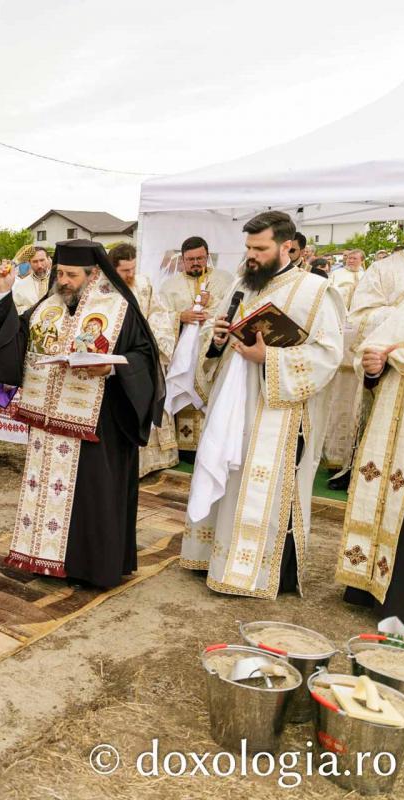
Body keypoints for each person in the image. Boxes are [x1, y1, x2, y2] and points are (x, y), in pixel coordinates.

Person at [0, 240, 163, 588]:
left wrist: (112, 369)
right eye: (61, 274)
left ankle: (91, 568)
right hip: (47, 424)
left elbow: (145, 356)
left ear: (93, 273)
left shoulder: (118, 309)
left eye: (72, 275)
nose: (64, 281)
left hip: (99, 422)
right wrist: (2, 297)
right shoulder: (45, 308)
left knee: (91, 497)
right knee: (46, 497)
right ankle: (43, 559)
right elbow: (12, 340)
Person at [182, 211, 344, 599]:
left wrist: (268, 358)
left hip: (278, 410)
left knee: (266, 486)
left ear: (287, 246)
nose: (251, 255)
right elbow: (213, 334)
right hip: (232, 403)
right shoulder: (243, 283)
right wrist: (218, 338)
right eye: (248, 247)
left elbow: (328, 355)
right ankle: (211, 557)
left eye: (260, 248)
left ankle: (260, 571)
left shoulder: (315, 291)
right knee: (228, 473)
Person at [335, 216, 404, 625]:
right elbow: (362, 320)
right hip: (392, 399)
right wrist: (380, 358)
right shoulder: (385, 270)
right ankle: (367, 582)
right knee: (381, 481)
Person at [157, 235, 235, 452]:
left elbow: (234, 310)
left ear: (207, 256)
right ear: (182, 260)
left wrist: (213, 309)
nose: (196, 263)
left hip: (214, 353)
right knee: (186, 392)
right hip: (183, 355)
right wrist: (180, 317)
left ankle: (213, 445)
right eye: (190, 259)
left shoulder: (224, 280)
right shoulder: (170, 285)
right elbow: (159, 317)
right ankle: (186, 446)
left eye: (200, 258)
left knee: (215, 395)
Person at [110, 243, 179, 477]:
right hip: (119, 356)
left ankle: (153, 462)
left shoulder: (143, 283)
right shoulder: (103, 289)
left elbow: (158, 313)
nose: (130, 274)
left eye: (133, 268)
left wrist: (156, 342)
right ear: (112, 269)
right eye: (125, 271)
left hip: (143, 354)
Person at [324, 249, 367, 485]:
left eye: (355, 258)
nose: (351, 261)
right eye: (348, 258)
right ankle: (333, 458)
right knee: (338, 403)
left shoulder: (369, 277)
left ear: (362, 260)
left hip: (362, 352)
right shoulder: (336, 278)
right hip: (342, 342)